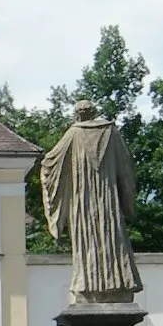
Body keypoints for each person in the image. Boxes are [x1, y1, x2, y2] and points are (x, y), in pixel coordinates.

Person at [40, 99, 143, 305]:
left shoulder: (73, 134)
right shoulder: (111, 133)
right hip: (109, 204)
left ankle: (87, 286)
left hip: (83, 204)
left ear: (77, 115)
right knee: (112, 237)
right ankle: (118, 283)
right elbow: (126, 168)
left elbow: (49, 164)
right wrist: (128, 201)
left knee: (87, 243)